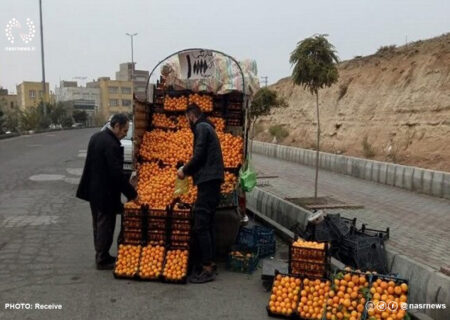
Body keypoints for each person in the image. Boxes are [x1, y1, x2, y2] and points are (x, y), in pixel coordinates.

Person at [76, 113, 138, 270]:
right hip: (105, 192)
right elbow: (115, 173)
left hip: (93, 190)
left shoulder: (96, 137)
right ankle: (102, 259)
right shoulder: (111, 144)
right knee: (106, 225)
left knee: (97, 223)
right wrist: (132, 194)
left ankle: (101, 254)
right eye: (124, 130)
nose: (124, 134)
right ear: (116, 126)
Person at [177, 103, 224, 283]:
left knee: (201, 223)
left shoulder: (201, 128)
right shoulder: (207, 127)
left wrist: (184, 171)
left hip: (208, 180)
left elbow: (199, 156)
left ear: (191, 115)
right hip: (211, 180)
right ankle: (209, 263)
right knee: (208, 222)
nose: (187, 121)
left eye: (187, 117)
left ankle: (206, 268)